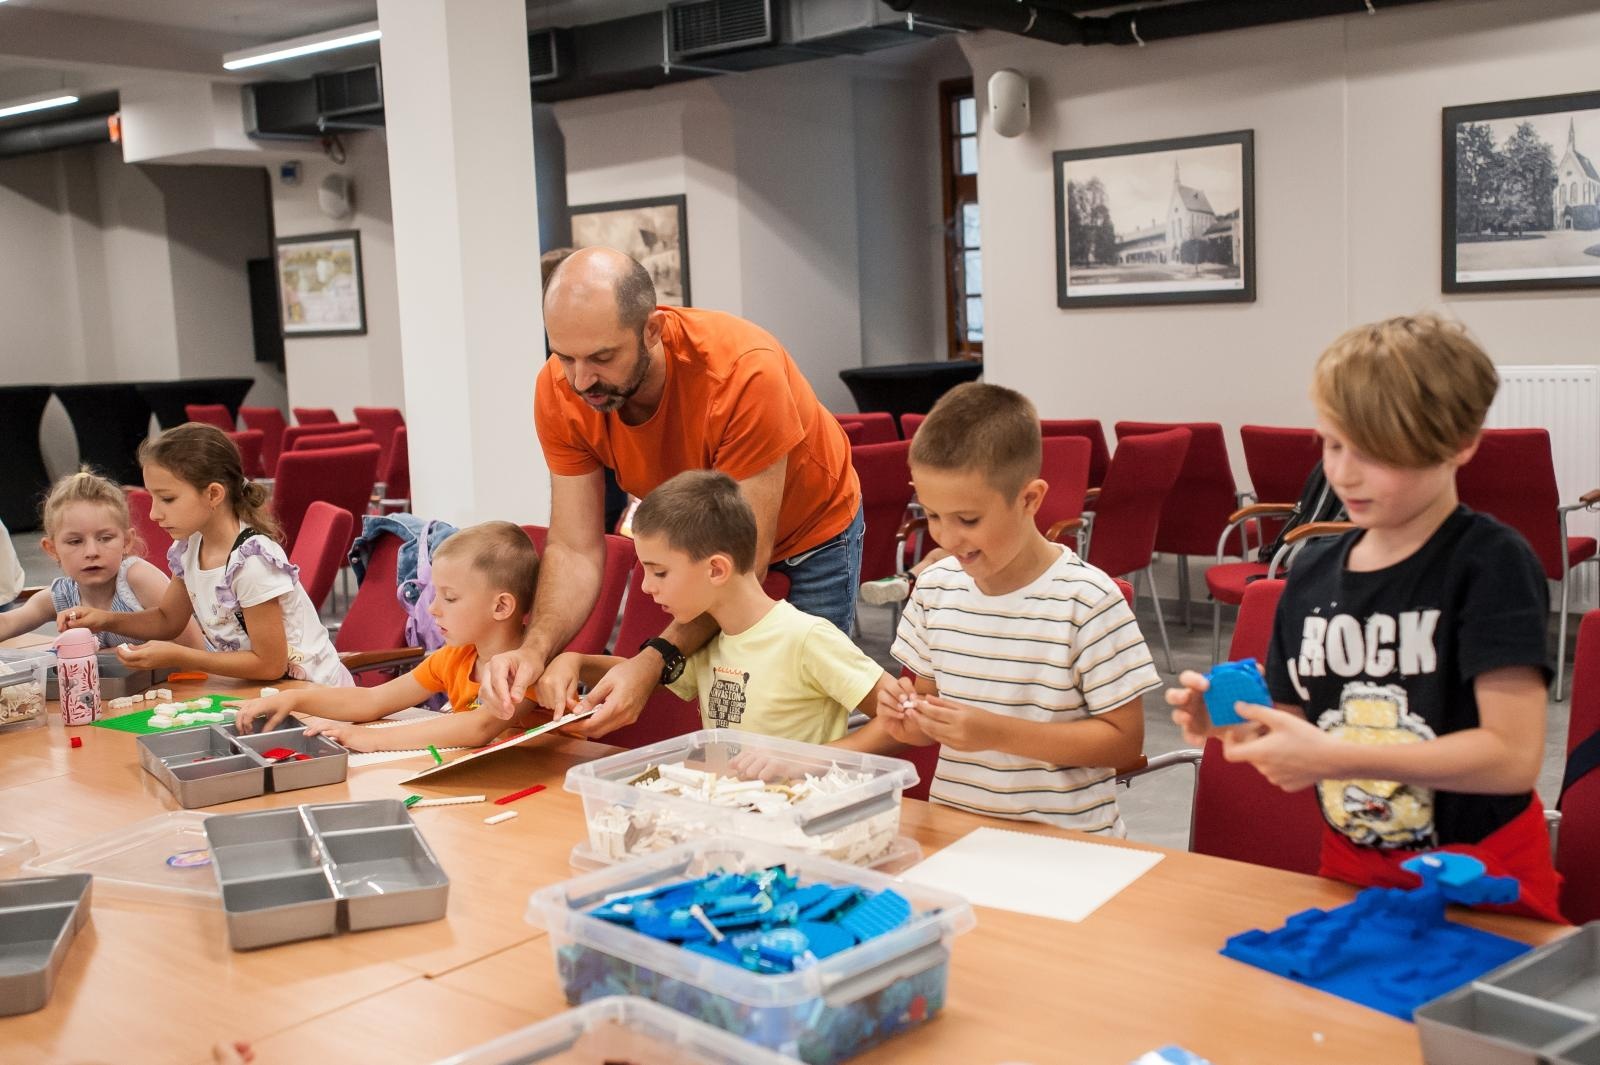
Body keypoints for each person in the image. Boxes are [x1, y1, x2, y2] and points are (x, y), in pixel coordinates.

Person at [1166, 314, 1562, 922]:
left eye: (1377, 451)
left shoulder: (1491, 564)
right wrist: (1234, 726)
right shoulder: (1311, 573)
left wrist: (1336, 756)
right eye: (1332, 444)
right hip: (1352, 873)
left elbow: (1511, 757)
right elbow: (1293, 732)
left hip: (1486, 879)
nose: (1345, 473)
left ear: (1460, 443)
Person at [485, 247, 863, 738]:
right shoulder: (560, 389)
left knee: (795, 716)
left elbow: (741, 565)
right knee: (725, 712)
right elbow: (575, 548)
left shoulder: (742, 372)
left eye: (602, 357)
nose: (582, 380)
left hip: (809, 535)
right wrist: (533, 651)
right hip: (697, 542)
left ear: (652, 331)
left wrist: (651, 662)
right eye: (564, 357)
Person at [876, 383, 1158, 836]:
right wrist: (907, 719)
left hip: (1069, 844)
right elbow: (928, 718)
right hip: (958, 832)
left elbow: (1125, 743)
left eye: (968, 520)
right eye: (931, 515)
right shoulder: (933, 590)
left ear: (1029, 499)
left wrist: (995, 732)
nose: (947, 538)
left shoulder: (1087, 601)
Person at [539, 470, 898, 750]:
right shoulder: (713, 638)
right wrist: (577, 662)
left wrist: (811, 761)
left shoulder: (806, 638)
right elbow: (643, 676)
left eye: (659, 571)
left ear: (716, 569)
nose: (646, 586)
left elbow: (899, 719)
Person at [59, 424, 350, 687]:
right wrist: (104, 620)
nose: (153, 513)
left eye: (168, 499)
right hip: (267, 692)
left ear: (213, 494)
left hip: (317, 696)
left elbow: (270, 663)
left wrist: (183, 656)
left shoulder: (251, 563)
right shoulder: (189, 547)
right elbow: (167, 619)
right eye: (153, 498)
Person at [231, 522, 547, 752]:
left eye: (449, 598)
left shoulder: (527, 668)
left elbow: (478, 726)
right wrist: (294, 698)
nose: (434, 609)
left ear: (501, 606)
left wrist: (372, 739)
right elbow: (373, 700)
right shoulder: (454, 658)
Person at [0, 469, 202, 647]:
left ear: (126, 541)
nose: (91, 552)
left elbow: (196, 647)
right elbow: (8, 623)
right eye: (75, 542)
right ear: (51, 549)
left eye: (105, 538)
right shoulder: (62, 596)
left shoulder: (137, 578)